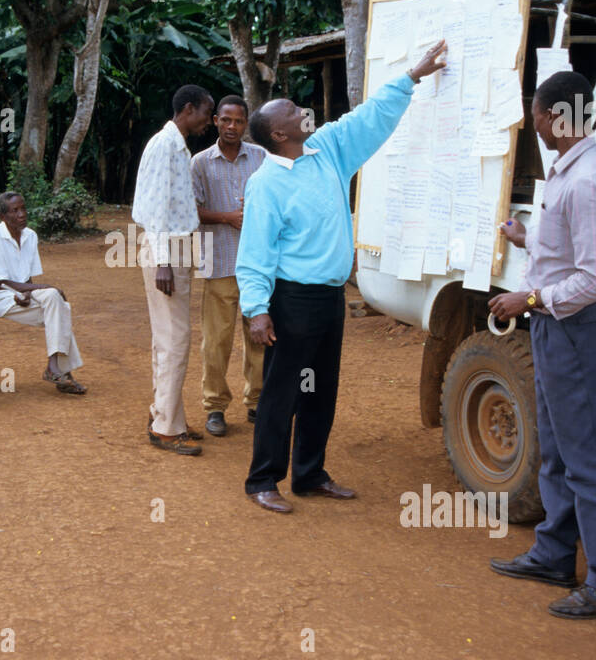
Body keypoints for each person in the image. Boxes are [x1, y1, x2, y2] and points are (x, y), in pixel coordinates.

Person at [236, 41, 447, 513]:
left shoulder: (327, 149)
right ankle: (263, 480)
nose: (299, 108)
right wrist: (257, 310)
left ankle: (310, 475)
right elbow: (254, 254)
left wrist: (411, 76)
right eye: (290, 109)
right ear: (277, 133)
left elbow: (369, 119)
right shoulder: (266, 183)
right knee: (281, 392)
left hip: (329, 299)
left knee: (318, 387)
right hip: (290, 302)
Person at [488, 70, 596, 619]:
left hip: (577, 330)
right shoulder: (571, 171)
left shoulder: (588, 178)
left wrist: (526, 300)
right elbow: (573, 253)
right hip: (559, 326)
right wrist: (530, 239)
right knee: (557, 446)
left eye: (536, 112)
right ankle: (554, 553)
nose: (532, 123)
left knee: (588, 456)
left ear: (556, 116)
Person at [132, 84, 213, 454]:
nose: (208, 123)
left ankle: (166, 414)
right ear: (189, 108)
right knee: (176, 339)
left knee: (167, 337)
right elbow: (154, 208)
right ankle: (165, 429)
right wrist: (164, 260)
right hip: (166, 250)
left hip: (175, 248)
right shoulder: (165, 145)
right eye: (206, 114)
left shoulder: (175, 145)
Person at [190, 94, 266, 438]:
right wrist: (226, 217)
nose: (231, 126)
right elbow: (189, 210)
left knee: (260, 338)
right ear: (216, 121)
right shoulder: (200, 163)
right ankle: (215, 407)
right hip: (219, 261)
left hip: (259, 265)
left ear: (246, 123)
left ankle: (257, 402)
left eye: (238, 121)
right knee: (216, 341)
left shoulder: (263, 158)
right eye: (225, 120)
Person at [0, 192, 86, 395]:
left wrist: (30, 292)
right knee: (59, 308)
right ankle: (61, 371)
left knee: (56, 303)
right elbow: (1, 281)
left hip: (21, 291)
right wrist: (39, 289)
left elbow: (27, 278)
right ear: (3, 217)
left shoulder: (30, 235)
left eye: (23, 208)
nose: (22, 214)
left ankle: (54, 367)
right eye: (15, 210)